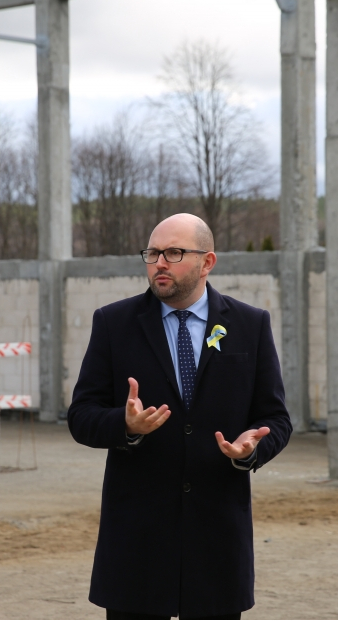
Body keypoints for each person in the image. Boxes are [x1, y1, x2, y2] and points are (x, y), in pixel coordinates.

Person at [67, 213, 292, 620]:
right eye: (152, 253)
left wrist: (249, 451)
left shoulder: (250, 325)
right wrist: (125, 425)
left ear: (207, 262)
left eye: (173, 252)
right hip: (138, 546)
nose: (159, 263)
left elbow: (276, 418)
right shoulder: (113, 323)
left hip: (217, 543)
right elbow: (81, 416)